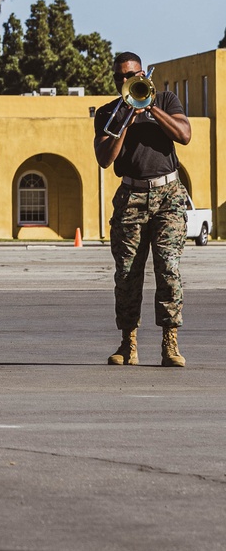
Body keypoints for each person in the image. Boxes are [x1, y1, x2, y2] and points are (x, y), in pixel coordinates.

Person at [94, 53, 191, 368]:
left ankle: (170, 344)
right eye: (120, 77)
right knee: (126, 274)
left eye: (132, 74)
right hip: (131, 194)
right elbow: (105, 159)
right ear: (115, 81)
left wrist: (151, 108)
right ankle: (128, 344)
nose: (127, 81)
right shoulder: (110, 112)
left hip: (168, 195)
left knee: (169, 270)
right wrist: (126, 119)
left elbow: (185, 135)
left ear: (143, 74)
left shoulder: (165, 99)